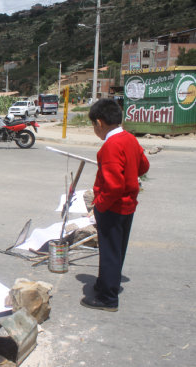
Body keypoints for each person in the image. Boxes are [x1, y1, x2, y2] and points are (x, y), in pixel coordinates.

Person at [80, 99, 149, 312]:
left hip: (113, 206)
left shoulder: (110, 146)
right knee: (117, 250)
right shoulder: (129, 139)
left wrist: (99, 205)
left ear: (100, 123)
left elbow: (113, 186)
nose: (95, 130)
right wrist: (130, 175)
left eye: (93, 126)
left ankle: (108, 298)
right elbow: (144, 165)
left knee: (109, 251)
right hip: (128, 205)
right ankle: (107, 283)